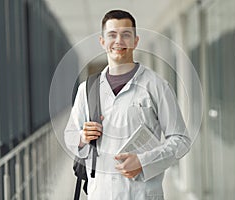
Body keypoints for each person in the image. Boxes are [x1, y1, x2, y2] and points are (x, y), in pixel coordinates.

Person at [65, 9, 191, 200]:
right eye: (112, 35)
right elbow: (70, 137)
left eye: (126, 35)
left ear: (135, 41)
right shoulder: (87, 89)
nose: (118, 41)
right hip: (100, 194)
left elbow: (181, 140)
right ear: (102, 42)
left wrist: (143, 162)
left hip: (142, 194)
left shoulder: (156, 85)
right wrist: (82, 137)